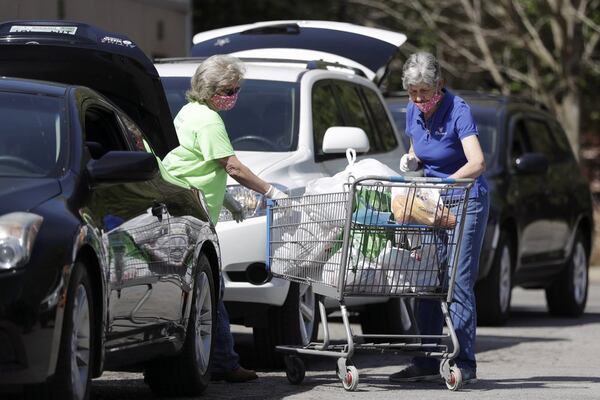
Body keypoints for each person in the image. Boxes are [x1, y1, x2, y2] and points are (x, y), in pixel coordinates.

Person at [162, 54, 287, 383]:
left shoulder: (190, 112)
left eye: (236, 90)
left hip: (186, 207)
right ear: (211, 89)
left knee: (207, 290)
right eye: (230, 90)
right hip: (192, 215)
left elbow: (200, 161)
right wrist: (271, 191)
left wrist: (228, 199)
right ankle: (224, 363)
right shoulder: (209, 120)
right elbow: (231, 166)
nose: (234, 97)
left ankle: (220, 360)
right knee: (209, 291)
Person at [391, 51, 490, 385]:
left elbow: (477, 163)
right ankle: (424, 360)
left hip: (465, 200)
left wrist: (446, 186)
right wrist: (411, 162)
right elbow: (417, 150)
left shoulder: (458, 110)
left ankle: (465, 362)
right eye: (413, 92)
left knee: (458, 282)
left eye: (425, 91)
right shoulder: (412, 111)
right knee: (428, 279)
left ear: (440, 85)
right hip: (431, 202)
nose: (419, 99)